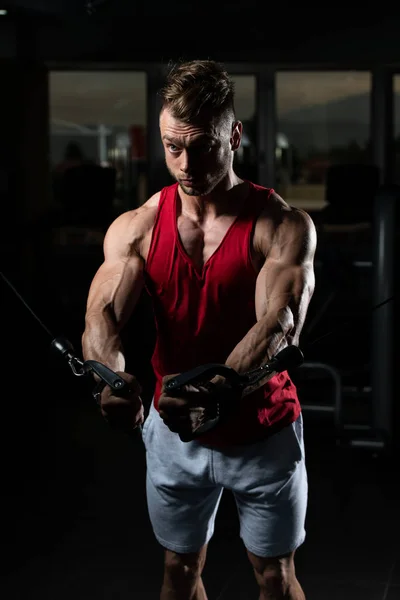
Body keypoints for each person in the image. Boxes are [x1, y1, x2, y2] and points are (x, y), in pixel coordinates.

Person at [81, 59, 317, 600]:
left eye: (204, 146)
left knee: (274, 577)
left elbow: (278, 324)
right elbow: (103, 316)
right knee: (179, 570)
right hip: (172, 433)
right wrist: (110, 379)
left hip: (261, 428)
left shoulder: (280, 226)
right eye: (172, 147)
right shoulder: (138, 226)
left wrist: (215, 392)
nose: (186, 164)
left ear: (233, 135)